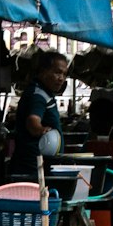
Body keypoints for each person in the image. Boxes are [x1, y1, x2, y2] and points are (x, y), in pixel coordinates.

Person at [10, 48, 69, 180]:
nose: (61, 78)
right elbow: (33, 121)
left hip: (40, 166)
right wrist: (41, 130)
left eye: (64, 74)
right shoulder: (38, 95)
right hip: (32, 168)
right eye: (57, 72)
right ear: (43, 71)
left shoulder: (45, 92)